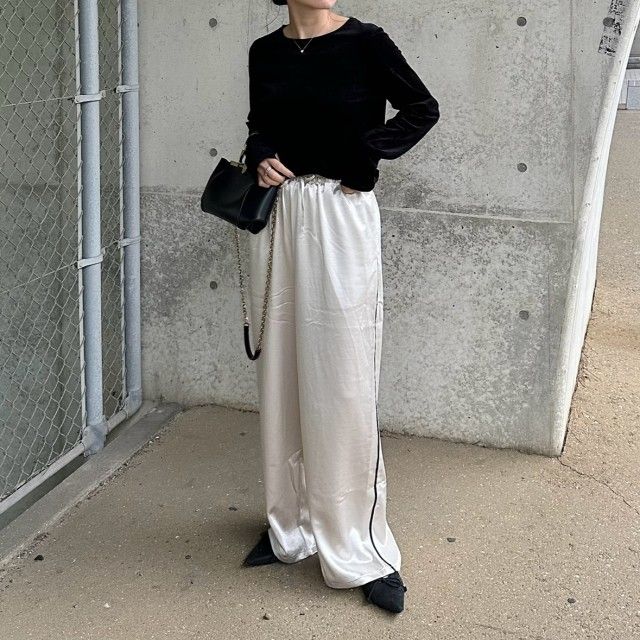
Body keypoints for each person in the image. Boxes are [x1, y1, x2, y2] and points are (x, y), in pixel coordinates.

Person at [240, 0, 440, 615]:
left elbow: (421, 108)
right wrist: (260, 153)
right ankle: (292, 523)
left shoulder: (366, 41)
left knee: (343, 380)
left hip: (340, 214)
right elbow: (259, 123)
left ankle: (361, 543)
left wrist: (366, 155)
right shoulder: (265, 51)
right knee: (282, 376)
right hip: (279, 218)